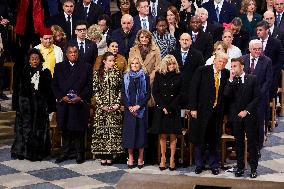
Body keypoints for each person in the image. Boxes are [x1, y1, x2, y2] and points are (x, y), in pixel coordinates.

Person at [189, 52, 230, 175]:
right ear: (214, 60)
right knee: (199, 138)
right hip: (201, 111)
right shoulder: (202, 71)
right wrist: (193, 108)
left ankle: (214, 165)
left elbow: (227, 94)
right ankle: (199, 164)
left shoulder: (227, 74)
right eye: (219, 61)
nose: (221, 64)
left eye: (224, 62)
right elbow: (193, 89)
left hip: (217, 112)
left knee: (214, 139)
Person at [11, 48, 54, 161]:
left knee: (39, 129)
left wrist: (50, 106)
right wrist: (15, 105)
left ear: (40, 60)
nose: (35, 61)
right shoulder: (23, 71)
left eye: (37, 59)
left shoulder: (45, 72)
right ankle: (23, 151)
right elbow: (16, 89)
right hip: (25, 106)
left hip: (40, 106)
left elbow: (50, 91)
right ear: (29, 60)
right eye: (32, 59)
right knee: (24, 128)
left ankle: (38, 152)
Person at [53, 44, 92, 164]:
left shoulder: (86, 67)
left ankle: (80, 153)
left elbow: (89, 86)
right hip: (64, 103)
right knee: (65, 129)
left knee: (78, 129)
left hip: (79, 103)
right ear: (66, 54)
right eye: (70, 52)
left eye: (75, 52)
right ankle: (64, 153)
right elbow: (54, 85)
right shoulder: (59, 66)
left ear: (78, 53)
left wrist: (80, 97)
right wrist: (62, 97)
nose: (73, 54)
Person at [224, 57, 260, 178]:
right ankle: (240, 168)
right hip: (236, 117)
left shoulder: (252, 79)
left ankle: (254, 168)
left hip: (249, 116)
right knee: (238, 143)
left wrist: (247, 111)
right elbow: (226, 95)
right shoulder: (231, 81)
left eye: (235, 66)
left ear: (242, 66)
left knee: (252, 143)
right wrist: (230, 79)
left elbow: (256, 97)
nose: (233, 68)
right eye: (232, 66)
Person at [151, 55, 183, 171]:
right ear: (165, 64)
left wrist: (170, 107)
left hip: (173, 109)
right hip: (161, 109)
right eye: (169, 64)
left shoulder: (180, 75)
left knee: (173, 135)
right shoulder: (159, 75)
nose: (172, 66)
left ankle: (172, 159)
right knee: (163, 135)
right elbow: (155, 92)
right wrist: (163, 107)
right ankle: (163, 158)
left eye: (173, 63)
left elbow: (181, 93)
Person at [92, 52, 124, 165]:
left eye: (113, 61)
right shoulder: (97, 73)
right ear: (104, 61)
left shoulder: (117, 73)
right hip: (102, 108)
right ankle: (103, 155)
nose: (112, 63)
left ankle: (110, 155)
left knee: (112, 132)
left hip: (114, 107)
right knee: (103, 132)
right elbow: (96, 90)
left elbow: (120, 90)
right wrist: (102, 105)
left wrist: (116, 104)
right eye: (109, 61)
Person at [242, 39, 272, 152]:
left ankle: (257, 149)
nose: (258, 51)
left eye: (260, 49)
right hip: (245, 98)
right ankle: (245, 149)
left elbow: (268, 81)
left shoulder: (267, 61)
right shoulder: (243, 59)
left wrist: (257, 95)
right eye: (255, 49)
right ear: (250, 49)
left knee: (259, 124)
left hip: (260, 98)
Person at [122, 56, 151, 169]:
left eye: (137, 63)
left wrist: (138, 106)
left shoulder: (145, 76)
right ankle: (130, 157)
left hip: (142, 109)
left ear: (140, 65)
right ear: (130, 65)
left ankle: (140, 157)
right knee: (130, 134)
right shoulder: (125, 77)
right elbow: (123, 94)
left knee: (141, 134)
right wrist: (129, 107)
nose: (134, 65)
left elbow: (148, 94)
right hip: (129, 110)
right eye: (132, 63)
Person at [170, 32, 204, 107]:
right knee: (178, 116)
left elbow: (200, 73)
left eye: (187, 40)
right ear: (179, 41)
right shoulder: (172, 54)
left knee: (187, 116)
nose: (184, 42)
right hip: (175, 91)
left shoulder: (198, 55)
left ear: (191, 41)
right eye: (182, 39)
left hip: (191, 90)